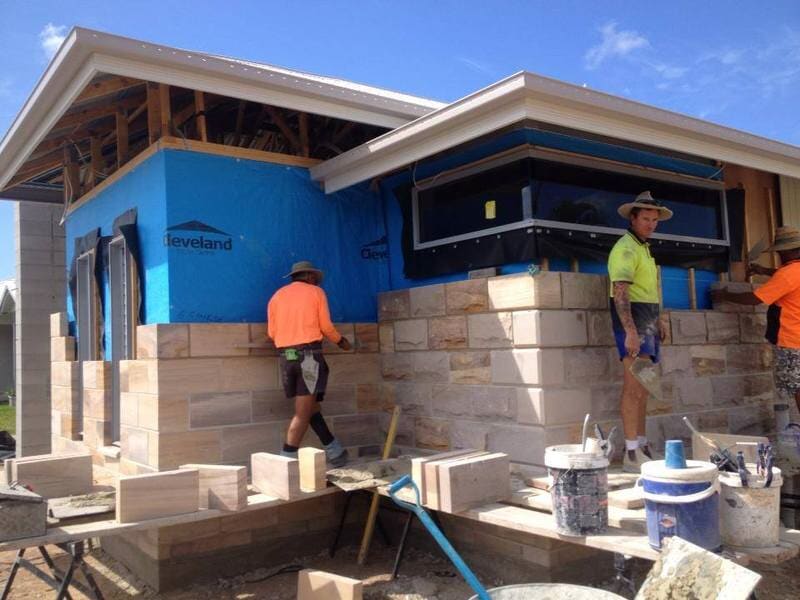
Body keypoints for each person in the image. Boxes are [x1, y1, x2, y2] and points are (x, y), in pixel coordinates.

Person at [607, 191, 672, 473]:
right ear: (633, 218)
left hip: (647, 318)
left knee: (645, 386)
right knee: (633, 386)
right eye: (645, 218)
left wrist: (659, 319)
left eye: (654, 219)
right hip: (632, 320)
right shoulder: (626, 249)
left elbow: (648, 290)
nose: (651, 223)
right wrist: (630, 331)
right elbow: (620, 291)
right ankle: (631, 452)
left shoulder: (644, 248)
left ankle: (642, 444)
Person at [711, 226, 800, 429]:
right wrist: (764, 271)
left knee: (797, 387)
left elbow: (755, 298)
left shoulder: (787, 274)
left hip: (793, 342)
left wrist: (725, 295)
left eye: (779, 252)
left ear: (784, 251)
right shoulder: (792, 272)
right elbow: (787, 279)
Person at [267, 260, 351, 467]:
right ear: (311, 277)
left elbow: (272, 333)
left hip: (287, 359)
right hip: (309, 359)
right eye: (316, 280)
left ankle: (334, 451)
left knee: (310, 406)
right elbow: (326, 326)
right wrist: (341, 341)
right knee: (303, 413)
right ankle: (284, 459)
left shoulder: (276, 296)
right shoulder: (315, 293)